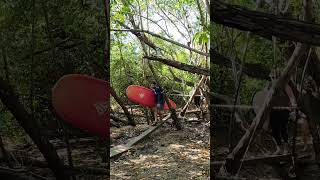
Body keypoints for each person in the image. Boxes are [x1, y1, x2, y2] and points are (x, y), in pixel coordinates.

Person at [269, 68, 297, 155]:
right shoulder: (270, 86)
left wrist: (293, 105)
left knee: (283, 129)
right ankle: (279, 148)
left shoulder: (285, 86)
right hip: (273, 111)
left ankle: (286, 148)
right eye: (272, 77)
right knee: (274, 130)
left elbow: (291, 97)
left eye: (275, 77)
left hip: (284, 110)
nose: (274, 79)